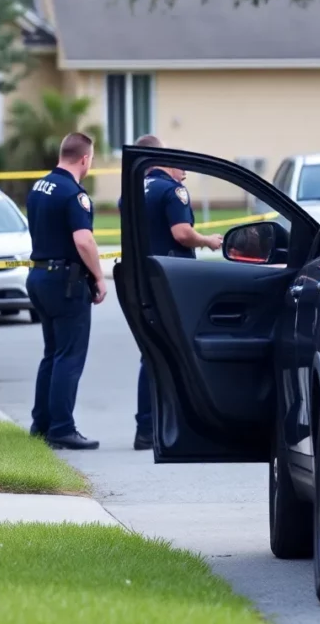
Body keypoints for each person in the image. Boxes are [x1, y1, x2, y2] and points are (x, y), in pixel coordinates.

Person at [119, 134, 223, 450]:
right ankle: (172, 425)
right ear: (166, 161)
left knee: (150, 353)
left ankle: (146, 427)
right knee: (177, 353)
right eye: (182, 166)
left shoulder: (131, 191)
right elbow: (181, 233)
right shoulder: (172, 191)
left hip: (141, 278)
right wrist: (208, 241)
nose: (185, 174)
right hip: (170, 281)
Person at [26, 132, 107, 451]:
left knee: (52, 353)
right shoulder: (74, 194)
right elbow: (83, 240)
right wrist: (99, 277)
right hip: (65, 282)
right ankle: (62, 428)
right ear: (84, 159)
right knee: (69, 356)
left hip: (40, 276)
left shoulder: (40, 186)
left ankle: (42, 423)